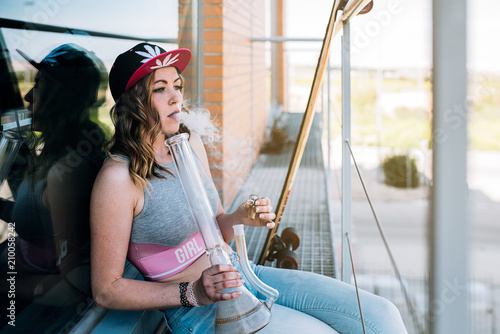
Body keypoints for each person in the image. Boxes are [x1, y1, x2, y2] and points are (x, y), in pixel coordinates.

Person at [90, 42, 408, 334]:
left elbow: (215, 229)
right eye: (160, 89)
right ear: (133, 104)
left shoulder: (188, 144)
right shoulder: (118, 179)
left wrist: (240, 216)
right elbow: (106, 289)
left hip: (244, 274)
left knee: (382, 317)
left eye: (177, 85)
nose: (176, 97)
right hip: (201, 311)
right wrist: (194, 293)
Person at [0, 43, 106, 329]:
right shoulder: (56, 154)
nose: (27, 96)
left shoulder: (65, 173)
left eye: (38, 86)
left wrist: (7, 286)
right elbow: (40, 219)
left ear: (59, 100)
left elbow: (71, 286)